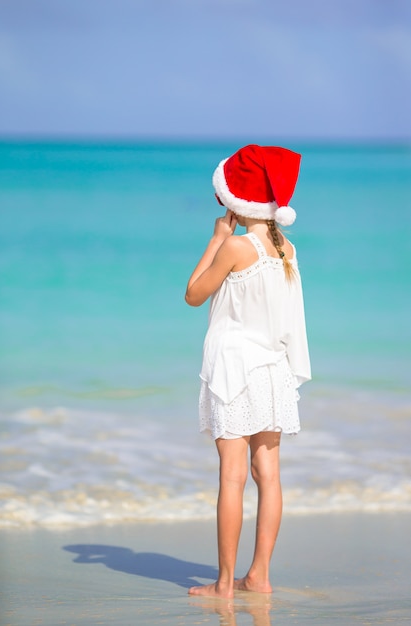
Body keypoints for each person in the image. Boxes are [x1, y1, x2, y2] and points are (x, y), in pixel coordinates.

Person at [185, 145, 311, 599]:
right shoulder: (286, 248)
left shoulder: (237, 247)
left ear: (236, 200)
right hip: (272, 370)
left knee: (232, 477)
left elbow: (194, 294)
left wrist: (217, 237)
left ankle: (224, 583)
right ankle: (259, 575)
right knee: (269, 474)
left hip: (236, 371)